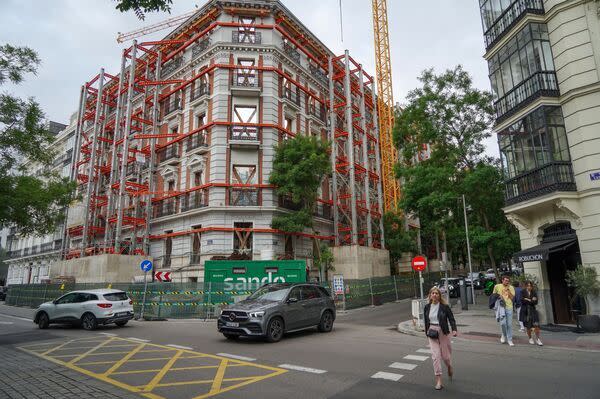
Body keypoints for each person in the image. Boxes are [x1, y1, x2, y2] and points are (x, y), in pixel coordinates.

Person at [424, 286, 457, 390]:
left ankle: (449, 366)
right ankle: (439, 381)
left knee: (446, 357)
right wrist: (427, 331)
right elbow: (426, 320)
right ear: (430, 295)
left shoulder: (444, 306)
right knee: (435, 357)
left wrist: (454, 329)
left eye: (436, 293)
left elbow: (451, 319)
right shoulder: (427, 307)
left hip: (443, 332)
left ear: (439, 295)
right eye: (432, 293)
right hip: (432, 333)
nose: (434, 295)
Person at [494, 274, 516, 346]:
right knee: (503, 323)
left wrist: (509, 291)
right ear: (502, 280)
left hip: (509, 307)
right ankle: (503, 334)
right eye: (506, 280)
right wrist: (498, 296)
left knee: (509, 324)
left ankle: (510, 340)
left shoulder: (511, 287)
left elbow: (512, 298)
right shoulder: (497, 286)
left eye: (508, 281)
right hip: (501, 307)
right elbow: (493, 296)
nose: (507, 282)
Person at [521, 281, 543, 346]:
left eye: (530, 286)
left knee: (536, 325)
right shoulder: (523, 292)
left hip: (533, 310)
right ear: (525, 286)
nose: (529, 287)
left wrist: (527, 299)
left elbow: (536, 302)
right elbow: (522, 301)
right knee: (528, 326)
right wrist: (530, 300)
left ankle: (538, 339)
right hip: (526, 311)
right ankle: (530, 338)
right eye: (528, 286)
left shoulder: (534, 292)